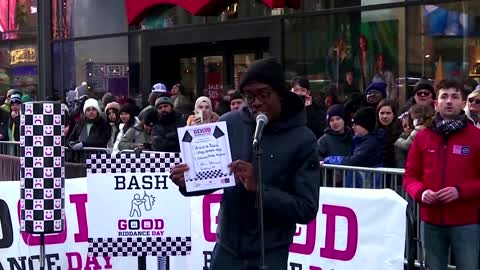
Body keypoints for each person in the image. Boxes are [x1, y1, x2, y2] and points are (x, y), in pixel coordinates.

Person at [169, 57, 320, 270]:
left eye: (264, 94)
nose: (256, 102)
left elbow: (306, 209)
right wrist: (187, 182)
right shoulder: (229, 124)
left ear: (281, 95)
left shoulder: (303, 139)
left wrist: (259, 188)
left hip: (270, 253)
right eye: (249, 96)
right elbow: (214, 177)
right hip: (227, 248)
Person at [403, 79, 480, 270]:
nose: (449, 101)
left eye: (455, 96)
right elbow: (410, 175)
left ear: (463, 103)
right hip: (431, 221)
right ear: (435, 103)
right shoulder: (422, 137)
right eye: (444, 96)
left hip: (466, 222)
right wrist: (421, 192)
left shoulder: (476, 137)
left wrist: (460, 191)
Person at [376, 99, 402, 168]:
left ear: (394, 115)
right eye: (382, 113)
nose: (384, 116)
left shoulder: (400, 132)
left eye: (388, 113)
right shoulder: (373, 132)